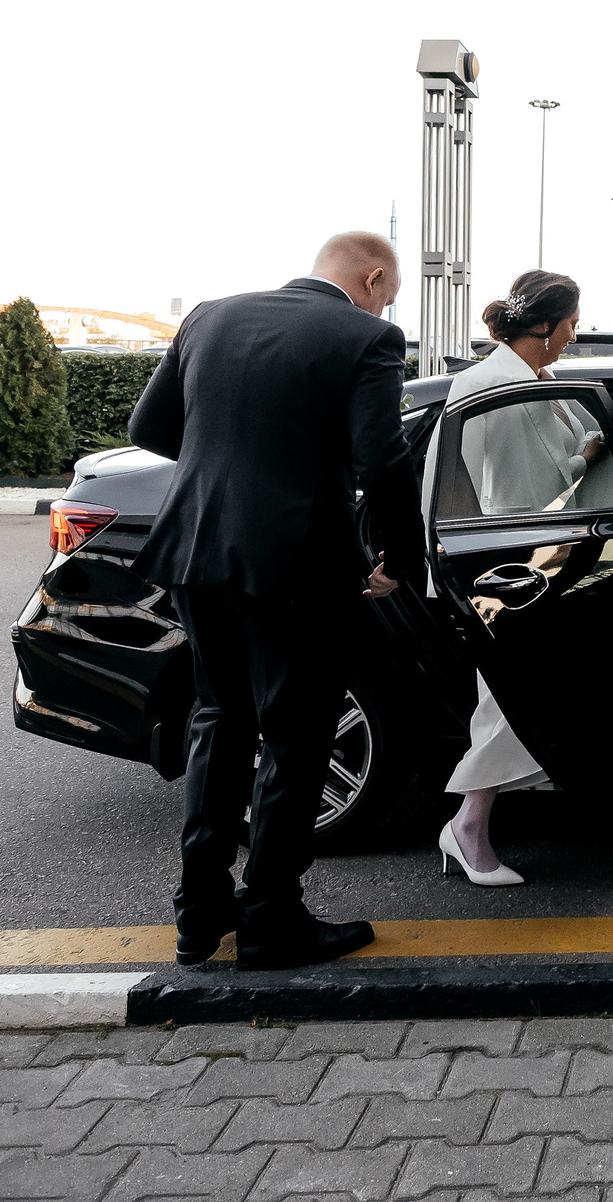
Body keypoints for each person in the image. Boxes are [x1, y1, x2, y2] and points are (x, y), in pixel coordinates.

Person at [127, 232, 424, 970]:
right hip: (298, 564)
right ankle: (271, 922)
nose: (388, 306)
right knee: (295, 737)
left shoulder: (209, 317)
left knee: (219, 722)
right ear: (373, 275)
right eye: (388, 292)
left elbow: (148, 428)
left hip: (196, 551)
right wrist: (400, 556)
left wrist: (234, 462)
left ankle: (200, 916)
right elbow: (381, 457)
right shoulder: (368, 337)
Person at [427, 270, 601, 888]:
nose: (575, 337)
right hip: (511, 570)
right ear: (546, 326)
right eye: (573, 324)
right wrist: (589, 455)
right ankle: (468, 826)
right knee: (510, 701)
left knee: (509, 699)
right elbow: (534, 492)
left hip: (519, 567)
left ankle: (470, 823)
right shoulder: (498, 390)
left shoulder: (527, 379)